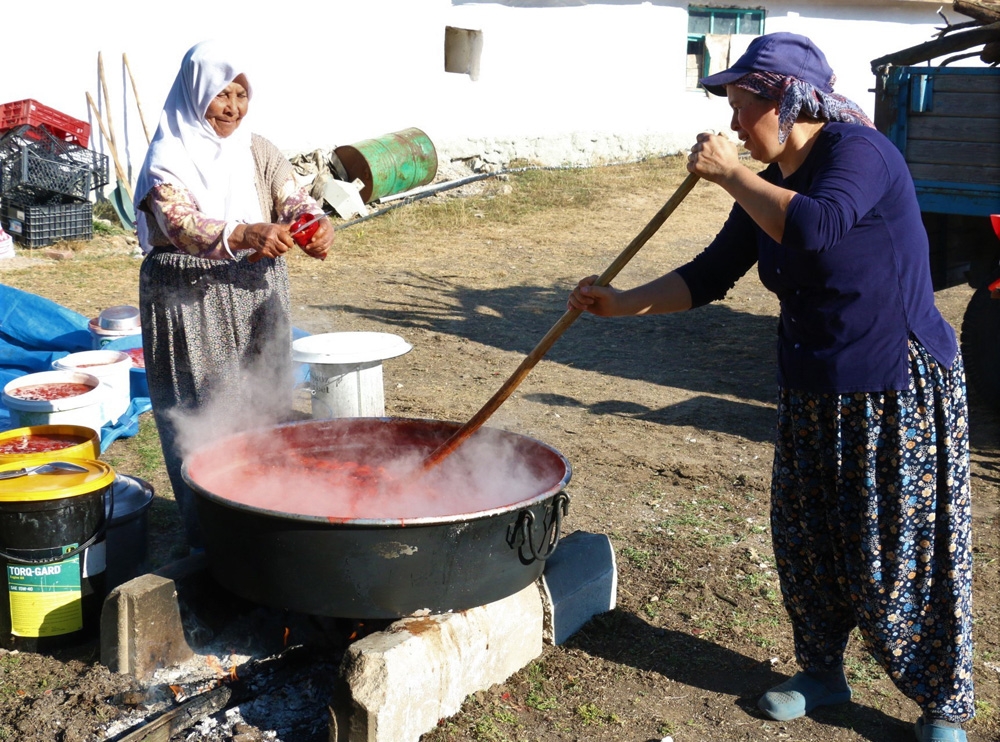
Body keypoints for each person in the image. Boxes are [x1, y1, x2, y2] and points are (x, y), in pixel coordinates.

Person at [568, 32, 973, 742]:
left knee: (898, 551)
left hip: (893, 386)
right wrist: (621, 301)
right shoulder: (770, 183)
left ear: (785, 100)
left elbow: (817, 228)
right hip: (814, 383)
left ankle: (941, 701)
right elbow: (709, 273)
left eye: (739, 106)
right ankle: (821, 671)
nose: (730, 125)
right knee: (809, 543)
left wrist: (730, 175)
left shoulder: (861, 153)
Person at [134, 40, 334, 551]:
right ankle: (212, 540)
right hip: (189, 297)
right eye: (220, 94)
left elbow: (294, 202)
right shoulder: (168, 155)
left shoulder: (259, 150)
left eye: (240, 93)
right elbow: (181, 226)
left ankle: (265, 523)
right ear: (194, 93)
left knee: (266, 405)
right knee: (205, 412)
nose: (232, 106)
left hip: (257, 292)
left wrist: (314, 228)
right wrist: (245, 234)